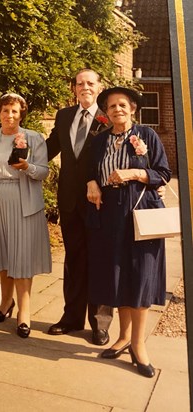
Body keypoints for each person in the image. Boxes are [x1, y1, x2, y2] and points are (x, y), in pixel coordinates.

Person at [86, 86, 172, 377]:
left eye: (122, 105)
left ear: (132, 108)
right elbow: (91, 170)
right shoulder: (99, 142)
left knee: (141, 275)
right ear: (106, 113)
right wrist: (92, 183)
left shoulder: (147, 136)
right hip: (110, 213)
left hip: (141, 209)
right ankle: (122, 338)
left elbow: (163, 172)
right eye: (111, 107)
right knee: (119, 275)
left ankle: (138, 345)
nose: (117, 110)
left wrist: (134, 173)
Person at [45, 68, 113, 345]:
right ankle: (71, 318)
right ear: (73, 88)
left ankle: (100, 324)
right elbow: (49, 148)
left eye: (90, 83)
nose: (84, 87)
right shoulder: (64, 116)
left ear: (99, 87)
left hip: (99, 201)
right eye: (80, 83)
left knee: (99, 260)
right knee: (73, 260)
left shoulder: (109, 116)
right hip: (70, 201)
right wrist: (18, 149)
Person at [0, 93, 52, 338]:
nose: (9, 116)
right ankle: (5, 303)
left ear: (21, 113)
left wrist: (28, 167)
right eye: (5, 111)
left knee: (21, 258)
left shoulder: (33, 137)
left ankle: (25, 312)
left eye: (14, 111)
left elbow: (43, 172)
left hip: (24, 201)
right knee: (2, 253)